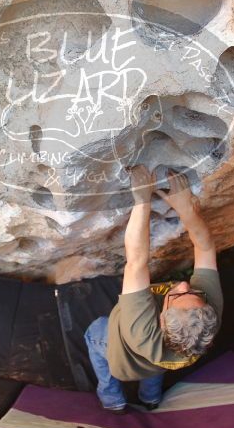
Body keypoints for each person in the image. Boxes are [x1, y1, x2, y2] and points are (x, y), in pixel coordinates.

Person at [84, 165, 223, 413]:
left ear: (160, 321)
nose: (183, 284)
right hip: (158, 362)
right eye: (193, 293)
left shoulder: (140, 330)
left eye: (177, 296)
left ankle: (111, 398)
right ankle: (151, 398)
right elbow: (206, 248)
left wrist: (142, 200)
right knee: (156, 367)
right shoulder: (206, 318)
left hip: (123, 360)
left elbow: (136, 262)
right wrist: (186, 208)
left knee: (94, 331)